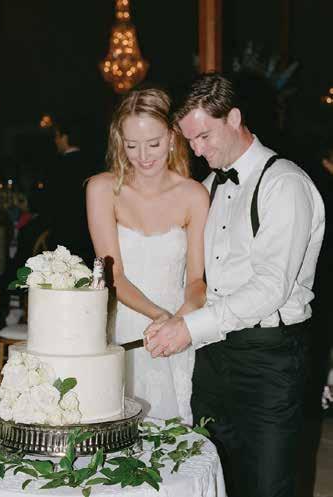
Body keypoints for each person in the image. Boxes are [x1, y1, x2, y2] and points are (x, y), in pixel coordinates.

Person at [144, 73, 325, 497]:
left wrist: (191, 327)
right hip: (213, 357)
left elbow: (270, 288)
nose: (197, 150)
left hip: (269, 358)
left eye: (204, 136)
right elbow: (198, 278)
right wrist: (174, 319)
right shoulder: (209, 187)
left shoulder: (284, 184)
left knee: (268, 484)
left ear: (235, 118)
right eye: (190, 141)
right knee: (215, 477)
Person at [86, 88, 209, 424]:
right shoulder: (102, 189)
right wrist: (159, 316)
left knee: (172, 433)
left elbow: (196, 281)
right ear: (119, 142)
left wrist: (181, 320)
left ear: (171, 137)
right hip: (123, 326)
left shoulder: (194, 195)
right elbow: (114, 275)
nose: (142, 156)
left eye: (153, 144)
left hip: (178, 328)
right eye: (131, 145)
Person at [47, 117, 96, 265]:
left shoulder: (57, 166)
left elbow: (48, 203)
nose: (55, 141)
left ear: (65, 137)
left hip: (63, 236)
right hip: (89, 236)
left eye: (57, 136)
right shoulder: (92, 163)